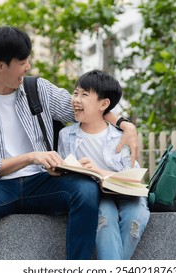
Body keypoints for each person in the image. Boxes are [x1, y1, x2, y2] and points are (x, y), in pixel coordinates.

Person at [0, 26, 138, 260]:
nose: (28, 67)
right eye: (22, 62)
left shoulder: (38, 89)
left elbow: (83, 109)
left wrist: (125, 124)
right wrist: (31, 156)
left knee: (85, 190)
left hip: (43, 182)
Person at [58, 69, 150, 260]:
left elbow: (132, 178)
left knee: (137, 217)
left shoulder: (120, 136)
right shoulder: (66, 136)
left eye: (84, 94)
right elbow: (63, 171)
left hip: (126, 194)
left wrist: (98, 171)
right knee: (104, 219)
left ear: (104, 104)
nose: (76, 99)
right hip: (96, 195)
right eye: (75, 93)